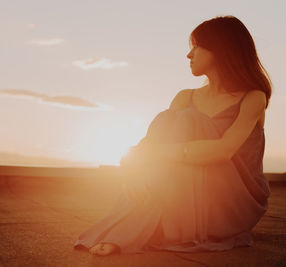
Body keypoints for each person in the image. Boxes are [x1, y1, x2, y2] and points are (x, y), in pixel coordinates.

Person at [73, 15, 272, 256]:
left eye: (196, 47)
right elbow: (156, 141)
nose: (189, 55)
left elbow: (223, 150)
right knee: (168, 122)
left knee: (187, 121)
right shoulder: (185, 96)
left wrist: (155, 153)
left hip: (231, 198)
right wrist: (134, 162)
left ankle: (132, 231)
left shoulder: (252, 98)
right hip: (185, 190)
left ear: (220, 49)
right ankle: (145, 222)